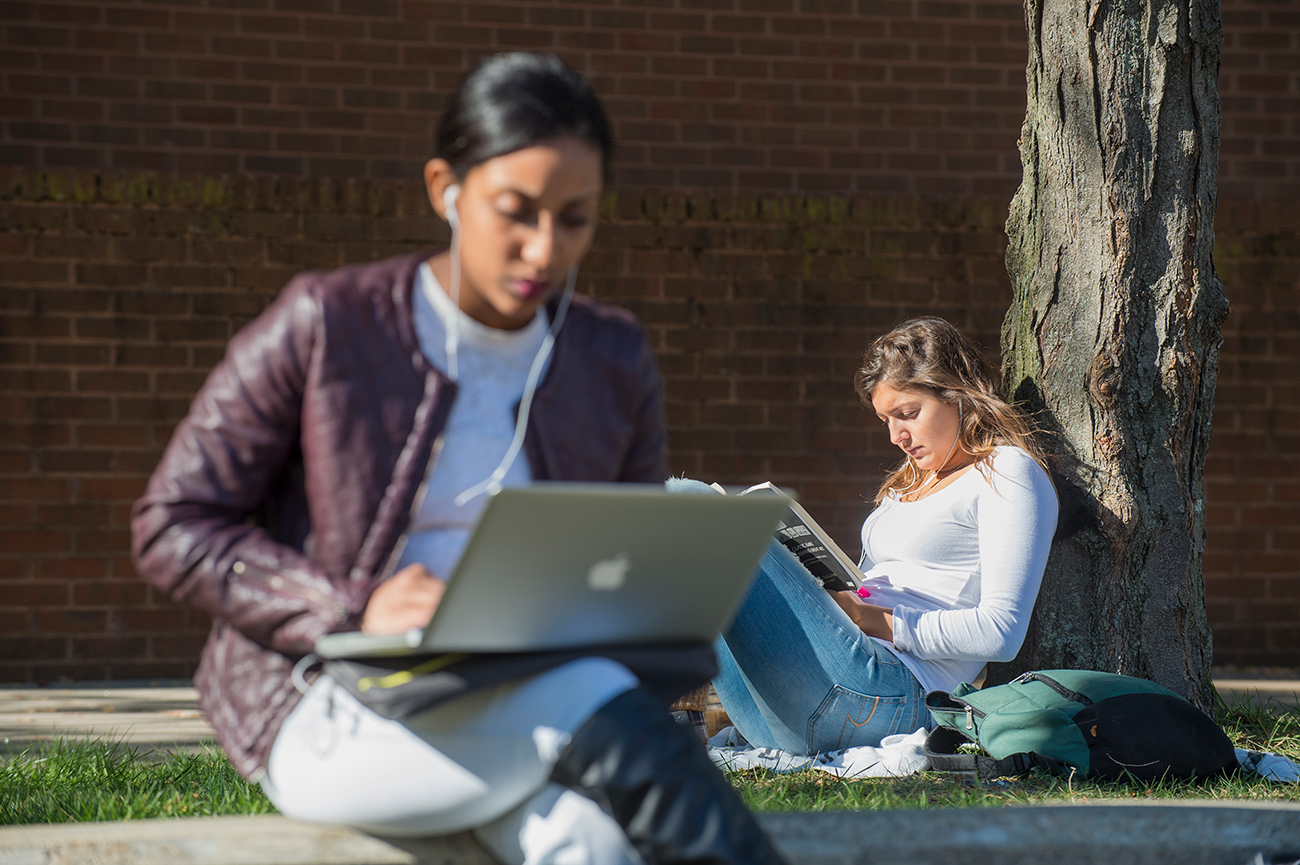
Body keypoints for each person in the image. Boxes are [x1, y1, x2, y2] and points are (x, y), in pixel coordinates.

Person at [132, 53, 785, 865]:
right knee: (595, 708)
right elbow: (173, 524)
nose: (543, 249)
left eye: (575, 218)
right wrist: (351, 606)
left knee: (588, 839)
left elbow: (630, 566)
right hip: (332, 698)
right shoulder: (329, 323)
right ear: (446, 188)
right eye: (516, 211)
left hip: (529, 692)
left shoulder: (609, 357)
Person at [690, 316, 1058, 756]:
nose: (896, 436)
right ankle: (671, 702)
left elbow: (1001, 633)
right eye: (886, 419)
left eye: (908, 414)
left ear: (959, 395)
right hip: (792, 711)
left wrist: (872, 620)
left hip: (891, 694)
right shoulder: (908, 482)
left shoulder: (1007, 472)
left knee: (689, 500)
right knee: (681, 510)